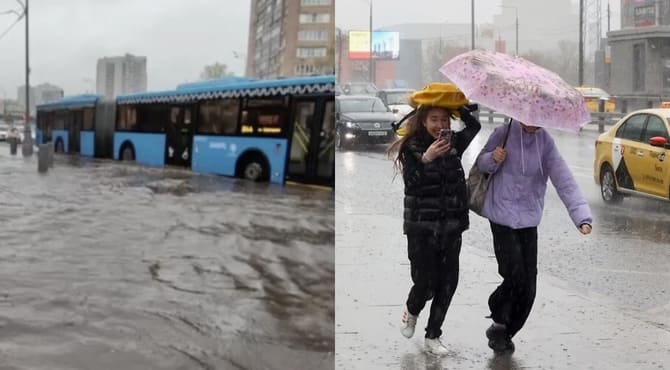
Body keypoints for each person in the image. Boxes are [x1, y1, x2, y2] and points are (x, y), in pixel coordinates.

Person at [475, 119, 593, 353]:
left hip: (529, 219)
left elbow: (564, 180)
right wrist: (492, 159)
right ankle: (498, 313)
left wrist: (581, 215)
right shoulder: (503, 133)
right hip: (502, 216)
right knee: (515, 275)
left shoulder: (545, 143)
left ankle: (505, 331)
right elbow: (481, 163)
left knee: (529, 288)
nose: (533, 123)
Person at [388, 97, 481, 356]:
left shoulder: (453, 144)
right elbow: (412, 184)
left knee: (448, 282)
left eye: (444, 119)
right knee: (425, 283)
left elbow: (474, 127)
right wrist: (426, 159)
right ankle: (412, 309)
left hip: (452, 226)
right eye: (434, 119)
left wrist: (460, 107)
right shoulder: (413, 146)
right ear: (423, 121)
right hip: (421, 227)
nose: (439, 124)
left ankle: (433, 336)